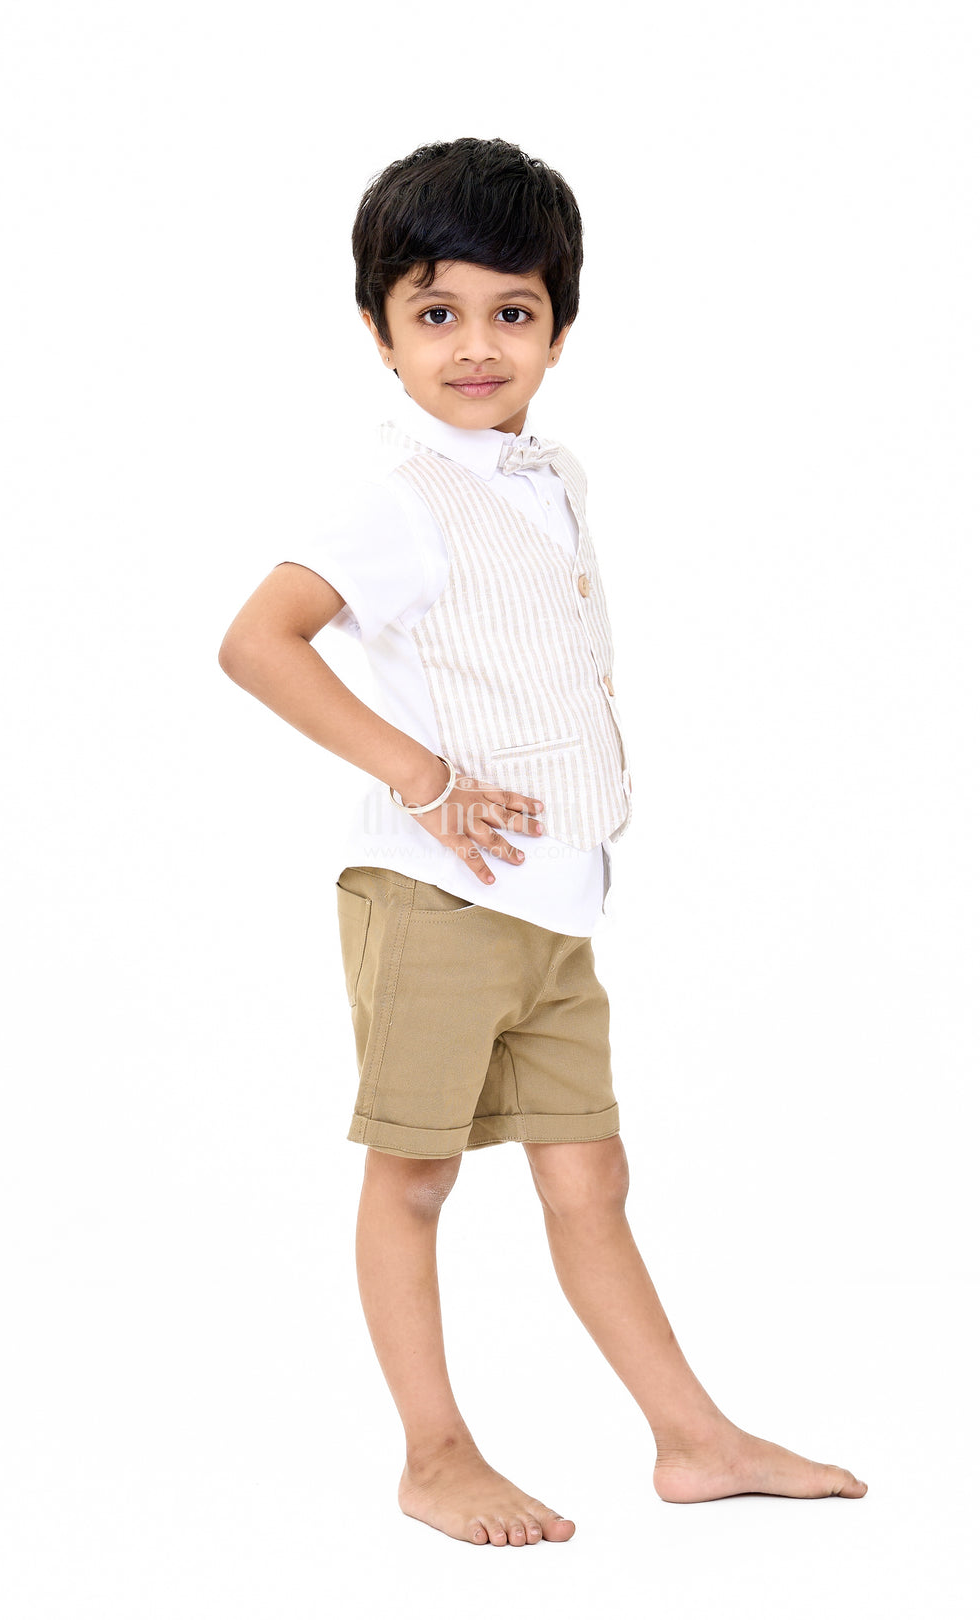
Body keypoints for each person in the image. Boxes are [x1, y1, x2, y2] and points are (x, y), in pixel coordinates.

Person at [217, 136, 867, 1548]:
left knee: (592, 1175)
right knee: (416, 1174)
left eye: (511, 312)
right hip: (437, 898)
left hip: (551, 910)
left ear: (559, 330)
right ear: (380, 333)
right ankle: (434, 1453)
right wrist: (423, 773)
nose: (474, 345)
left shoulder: (548, 475)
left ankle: (694, 1441)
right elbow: (257, 644)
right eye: (434, 312)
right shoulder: (393, 497)